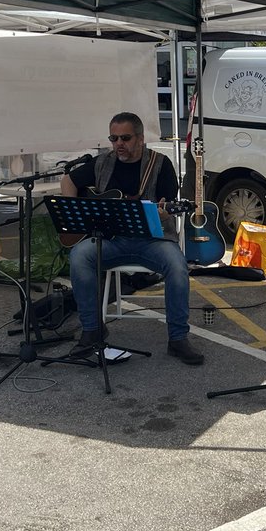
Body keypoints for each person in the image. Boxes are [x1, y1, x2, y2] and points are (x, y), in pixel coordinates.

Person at [60, 112, 203, 365]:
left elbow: (166, 205)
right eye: (113, 138)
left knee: (177, 266)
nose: (119, 144)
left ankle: (178, 338)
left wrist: (160, 214)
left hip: (153, 241)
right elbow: (68, 181)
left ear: (140, 139)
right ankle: (93, 330)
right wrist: (77, 210)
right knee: (79, 256)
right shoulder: (102, 162)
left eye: (125, 138)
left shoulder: (160, 164)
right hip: (111, 240)